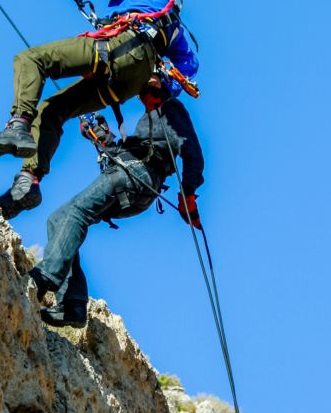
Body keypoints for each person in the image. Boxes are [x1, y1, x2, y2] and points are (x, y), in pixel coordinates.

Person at [0, 0, 199, 219]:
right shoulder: (171, 16)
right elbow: (189, 64)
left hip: (121, 46)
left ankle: (18, 126)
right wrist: (163, 85)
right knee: (52, 110)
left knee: (31, 60)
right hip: (130, 81)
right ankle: (28, 183)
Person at [28, 73, 204, 328]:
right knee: (58, 220)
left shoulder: (171, 108)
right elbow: (129, 150)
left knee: (75, 213)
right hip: (135, 183)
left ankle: (45, 276)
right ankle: (73, 304)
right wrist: (99, 135)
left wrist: (188, 193)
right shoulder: (152, 121)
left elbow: (192, 152)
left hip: (134, 174)